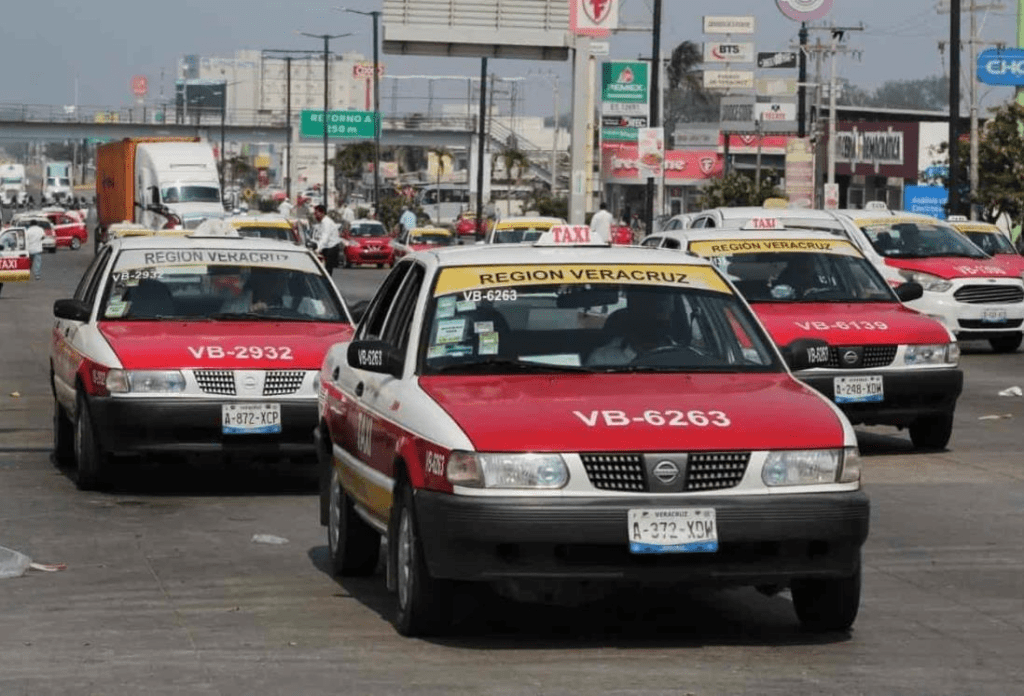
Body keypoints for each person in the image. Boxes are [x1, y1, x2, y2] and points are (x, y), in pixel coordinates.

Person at [314, 204, 342, 274]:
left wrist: (318, 249)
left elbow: (325, 237)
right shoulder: (323, 222)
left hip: (331, 248)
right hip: (328, 247)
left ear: (322, 213)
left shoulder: (326, 222)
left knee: (327, 271)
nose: (315, 216)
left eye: (316, 213)